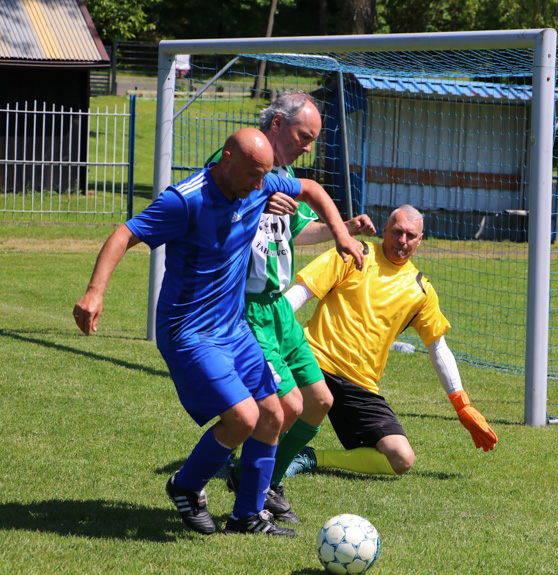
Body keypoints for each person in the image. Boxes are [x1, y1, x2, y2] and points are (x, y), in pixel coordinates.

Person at [72, 127, 364, 536]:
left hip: (233, 326)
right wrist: (94, 292)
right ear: (226, 160)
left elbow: (311, 187)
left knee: (273, 413)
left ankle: (247, 515)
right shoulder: (185, 199)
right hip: (188, 331)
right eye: (253, 175)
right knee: (244, 417)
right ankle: (186, 485)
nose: (261, 186)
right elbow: (125, 234)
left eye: (265, 176)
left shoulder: (257, 184)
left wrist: (342, 234)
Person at [209, 92, 376, 525]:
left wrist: (345, 229)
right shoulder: (239, 158)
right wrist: (256, 200)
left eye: (313, 140)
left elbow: (297, 234)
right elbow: (213, 214)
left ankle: (265, 480)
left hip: (280, 308)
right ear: (278, 123)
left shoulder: (285, 176)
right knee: (287, 408)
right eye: (304, 136)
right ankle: (250, 493)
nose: (308, 146)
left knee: (320, 400)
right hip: (246, 306)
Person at [282, 205, 498, 479]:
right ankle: (238, 457)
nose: (402, 241)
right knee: (274, 416)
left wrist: (462, 404)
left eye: (410, 235)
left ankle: (311, 458)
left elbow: (438, 348)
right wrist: (269, 331)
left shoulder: (421, 290)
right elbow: (302, 293)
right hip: (313, 361)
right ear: (384, 230)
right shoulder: (354, 253)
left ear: (421, 240)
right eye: (396, 232)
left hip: (360, 384)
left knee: (401, 457)